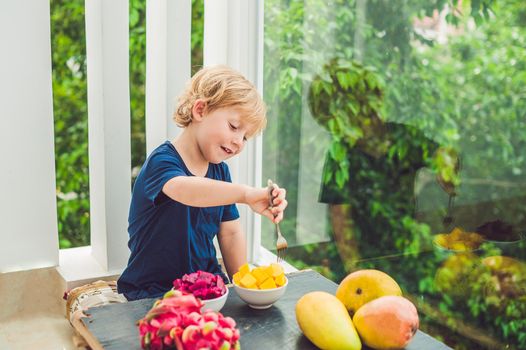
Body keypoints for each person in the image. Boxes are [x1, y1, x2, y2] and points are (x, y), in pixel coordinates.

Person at [117, 65, 288, 301]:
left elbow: (230, 233)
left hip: (207, 288)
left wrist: (244, 287)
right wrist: (245, 194)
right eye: (234, 127)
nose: (238, 142)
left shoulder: (220, 172)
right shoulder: (162, 162)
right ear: (200, 110)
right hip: (153, 291)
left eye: (245, 137)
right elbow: (185, 189)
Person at [308, 59, 458, 271]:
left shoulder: (404, 137)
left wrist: (447, 169)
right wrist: (354, 268)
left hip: (402, 249)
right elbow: (340, 219)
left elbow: (441, 153)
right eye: (364, 113)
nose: (373, 117)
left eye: (374, 108)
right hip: (361, 258)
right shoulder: (340, 155)